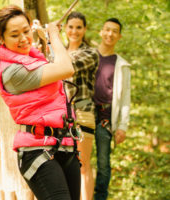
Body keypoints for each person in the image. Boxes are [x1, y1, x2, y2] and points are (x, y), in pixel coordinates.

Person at [0, 5, 81, 200]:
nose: (23, 38)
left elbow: (55, 71)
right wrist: (54, 34)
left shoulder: (34, 60)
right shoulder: (12, 72)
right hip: (37, 149)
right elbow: (66, 68)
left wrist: (49, 42)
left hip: (64, 142)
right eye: (14, 35)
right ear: (1, 39)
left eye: (26, 31)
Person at [93, 18, 130, 200]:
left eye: (114, 31)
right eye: (107, 30)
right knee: (75, 159)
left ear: (119, 36)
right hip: (83, 114)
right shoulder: (89, 55)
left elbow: (125, 97)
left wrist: (123, 126)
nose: (110, 34)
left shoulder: (122, 65)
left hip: (106, 118)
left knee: (103, 164)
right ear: (101, 32)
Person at [64, 12, 99, 200]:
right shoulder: (59, 51)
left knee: (83, 164)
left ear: (84, 29)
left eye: (78, 27)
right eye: (71, 27)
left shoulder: (90, 53)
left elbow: (68, 66)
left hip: (82, 111)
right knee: (63, 164)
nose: (74, 31)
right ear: (65, 28)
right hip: (60, 115)